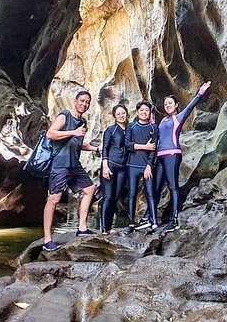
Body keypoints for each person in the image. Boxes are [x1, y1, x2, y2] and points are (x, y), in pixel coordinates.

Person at [42, 90, 101, 251]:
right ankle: (47, 240)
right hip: (60, 164)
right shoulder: (65, 116)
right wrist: (73, 132)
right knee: (54, 199)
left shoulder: (82, 122)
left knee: (90, 189)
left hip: (74, 164)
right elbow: (51, 134)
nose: (84, 104)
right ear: (75, 101)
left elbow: (78, 143)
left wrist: (94, 148)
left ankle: (82, 228)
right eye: (82, 101)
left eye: (87, 102)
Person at [155, 81, 211, 232]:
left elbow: (191, 106)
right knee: (156, 187)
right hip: (160, 156)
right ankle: (153, 219)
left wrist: (200, 93)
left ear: (176, 105)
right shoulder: (162, 121)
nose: (168, 105)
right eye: (166, 103)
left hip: (172, 154)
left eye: (170, 103)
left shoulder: (177, 118)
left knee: (173, 186)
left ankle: (174, 220)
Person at [123, 100, 159, 235]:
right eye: (142, 110)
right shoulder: (131, 126)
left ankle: (154, 222)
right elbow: (127, 145)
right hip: (132, 165)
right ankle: (131, 223)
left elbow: (154, 149)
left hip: (146, 166)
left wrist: (150, 165)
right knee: (132, 194)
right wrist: (144, 146)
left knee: (150, 193)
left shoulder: (153, 128)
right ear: (137, 112)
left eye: (147, 110)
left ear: (150, 112)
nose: (144, 112)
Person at [99, 104, 129, 234]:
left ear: (127, 114)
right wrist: (105, 166)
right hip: (110, 165)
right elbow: (105, 148)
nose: (121, 115)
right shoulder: (111, 130)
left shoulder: (130, 129)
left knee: (116, 197)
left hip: (123, 168)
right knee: (108, 196)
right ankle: (104, 228)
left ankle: (109, 227)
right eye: (118, 114)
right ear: (114, 117)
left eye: (123, 113)